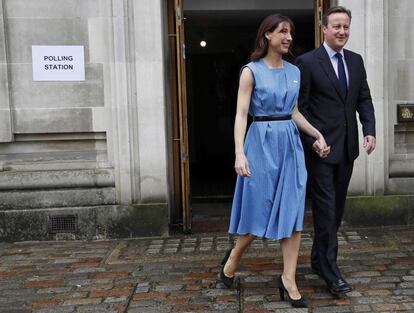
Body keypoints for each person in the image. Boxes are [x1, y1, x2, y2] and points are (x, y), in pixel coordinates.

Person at [219, 14, 330, 309]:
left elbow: (293, 111)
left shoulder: (294, 71)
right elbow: (241, 115)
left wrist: (317, 134)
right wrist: (239, 153)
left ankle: (289, 279)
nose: (289, 37)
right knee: (258, 212)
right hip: (260, 143)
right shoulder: (250, 71)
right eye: (282, 31)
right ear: (267, 35)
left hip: (290, 145)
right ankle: (233, 258)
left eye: (290, 32)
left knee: (292, 214)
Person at [295, 6, 376, 296]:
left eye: (346, 27)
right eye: (337, 26)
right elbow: (299, 108)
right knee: (326, 212)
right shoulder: (307, 62)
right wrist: (313, 140)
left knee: (336, 212)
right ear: (324, 28)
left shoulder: (355, 61)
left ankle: (318, 259)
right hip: (321, 152)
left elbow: (363, 98)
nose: (342, 32)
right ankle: (331, 272)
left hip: (348, 150)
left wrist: (369, 130)